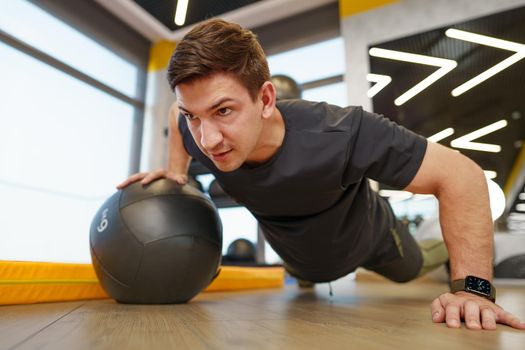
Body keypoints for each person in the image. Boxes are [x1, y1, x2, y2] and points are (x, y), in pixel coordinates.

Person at [117, 19, 525, 331]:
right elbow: (175, 114)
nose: (208, 139)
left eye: (223, 111)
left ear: (265, 99)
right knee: (308, 270)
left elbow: (464, 176)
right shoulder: (196, 130)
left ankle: (436, 244)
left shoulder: (343, 133)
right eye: (194, 116)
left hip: (373, 240)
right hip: (303, 259)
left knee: (415, 268)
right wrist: (174, 174)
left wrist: (473, 289)